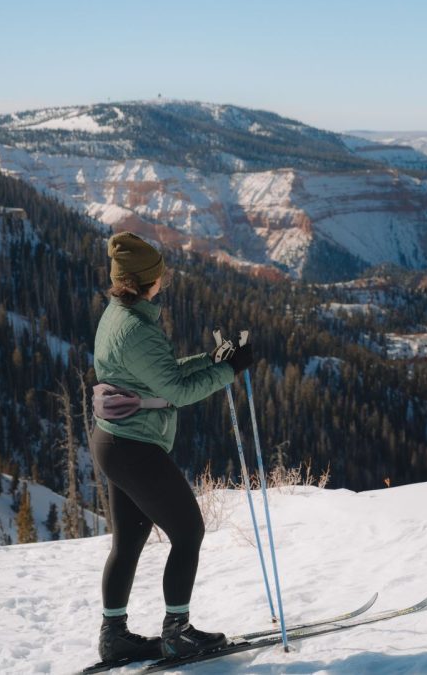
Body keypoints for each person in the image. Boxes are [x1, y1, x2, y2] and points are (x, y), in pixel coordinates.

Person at [90, 231, 253, 663]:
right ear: (149, 280)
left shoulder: (120, 315)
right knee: (188, 532)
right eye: (160, 273)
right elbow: (177, 391)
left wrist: (211, 360)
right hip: (133, 446)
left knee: (129, 541)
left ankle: (114, 637)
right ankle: (177, 632)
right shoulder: (136, 330)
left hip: (115, 441)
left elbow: (161, 373)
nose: (165, 278)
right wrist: (229, 372)